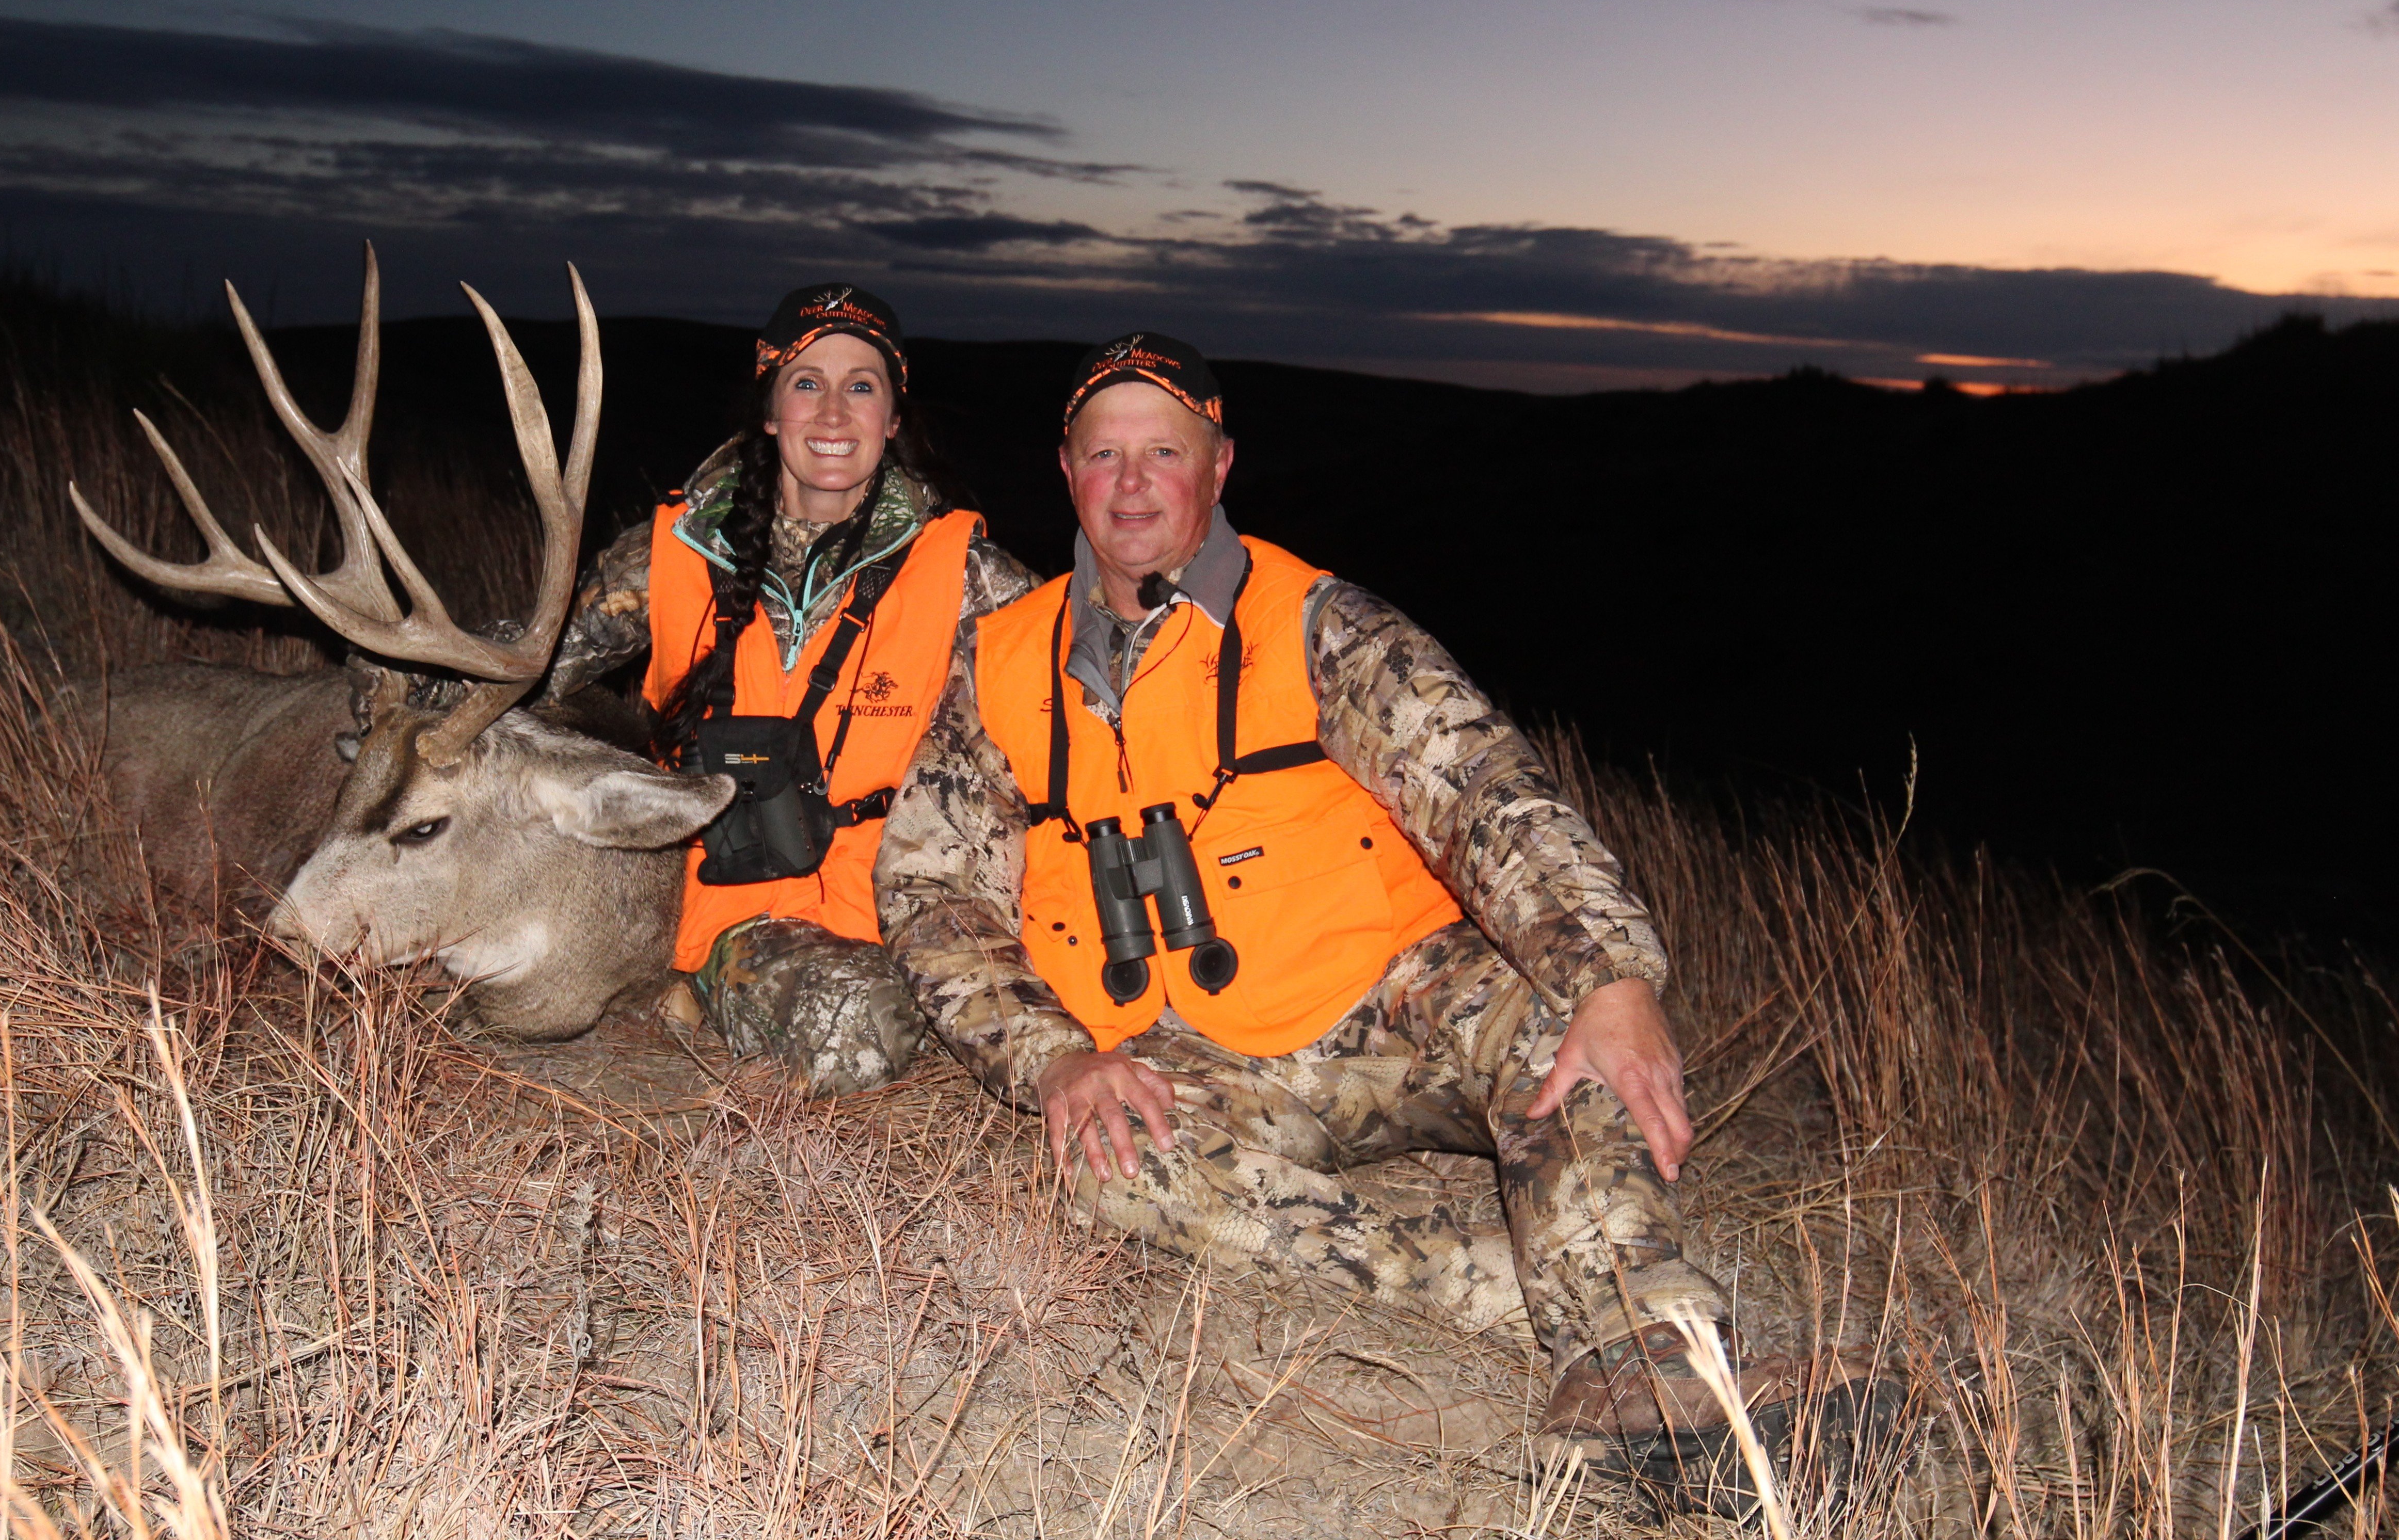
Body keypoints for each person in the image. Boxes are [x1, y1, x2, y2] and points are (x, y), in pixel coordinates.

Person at [873, 332, 1897, 1509]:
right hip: (1185, 1051)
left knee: (1554, 1026)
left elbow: (1486, 793)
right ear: (1066, 471)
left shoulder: (1322, 623)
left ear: (1220, 464)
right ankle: (1541, 1301)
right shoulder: (1003, 660)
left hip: (1393, 1002)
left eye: (1166, 453)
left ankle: (1648, 1364)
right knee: (1108, 1168)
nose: (1134, 485)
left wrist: (1613, 978)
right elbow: (931, 890)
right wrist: (1051, 1059)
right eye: (1105, 455)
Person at [548, 284, 1038, 1094]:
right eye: (807, 383)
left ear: (893, 418)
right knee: (860, 1032)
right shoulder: (675, 548)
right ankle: (685, 986)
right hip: (721, 899)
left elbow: (1072, 695)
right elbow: (540, 663)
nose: (834, 413)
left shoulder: (961, 569)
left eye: (862, 386)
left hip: (904, 904)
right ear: (771, 412)